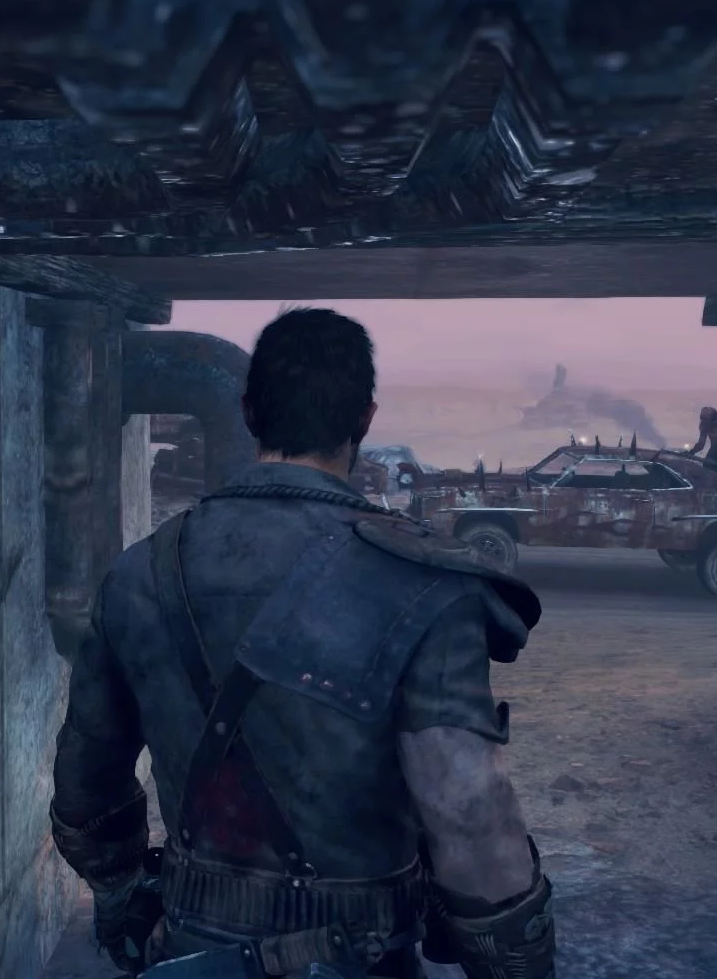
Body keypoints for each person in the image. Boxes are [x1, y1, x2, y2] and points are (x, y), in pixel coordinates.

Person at [49, 307, 556, 978]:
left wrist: (121, 895)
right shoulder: (428, 582)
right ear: (365, 419)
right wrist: (520, 962)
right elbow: (467, 811)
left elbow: (86, 788)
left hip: (192, 949)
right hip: (364, 958)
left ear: (249, 412)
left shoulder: (140, 570)